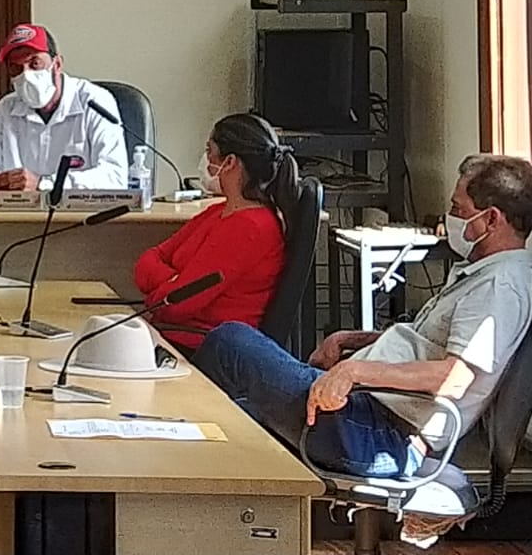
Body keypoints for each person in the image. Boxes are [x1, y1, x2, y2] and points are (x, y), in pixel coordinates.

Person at [199, 155, 532, 480]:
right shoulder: (484, 273)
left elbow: (456, 377)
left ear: (491, 219)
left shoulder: (500, 286)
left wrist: (355, 370)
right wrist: (352, 340)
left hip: (383, 435)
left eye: (459, 210)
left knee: (230, 343)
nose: (450, 218)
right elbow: (428, 347)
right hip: (367, 414)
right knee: (235, 417)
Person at [134, 114, 298, 352]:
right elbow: (146, 262)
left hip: (203, 349)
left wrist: (170, 285)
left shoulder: (250, 227)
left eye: (209, 150)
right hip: (172, 336)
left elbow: (173, 305)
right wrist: (174, 281)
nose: (205, 159)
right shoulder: (218, 212)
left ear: (229, 162)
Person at [0, 23, 127, 195]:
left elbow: (115, 177)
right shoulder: (6, 109)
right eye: (16, 68)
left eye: (35, 63)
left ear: (57, 64)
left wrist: (43, 184)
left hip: (82, 217)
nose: (26, 75)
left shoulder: (95, 101)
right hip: (20, 218)